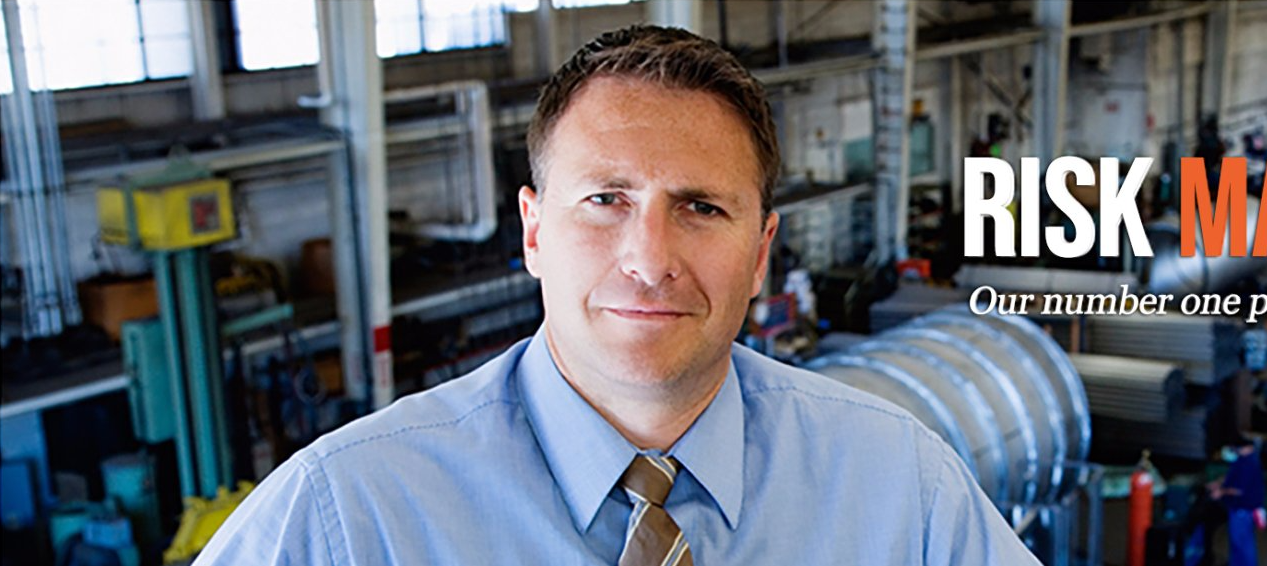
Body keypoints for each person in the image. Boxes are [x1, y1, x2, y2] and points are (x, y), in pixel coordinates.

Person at [197, 25, 1034, 565]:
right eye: (605, 200)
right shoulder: (345, 516)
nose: (649, 258)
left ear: (760, 255)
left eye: (700, 208)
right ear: (533, 234)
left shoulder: (900, 487)